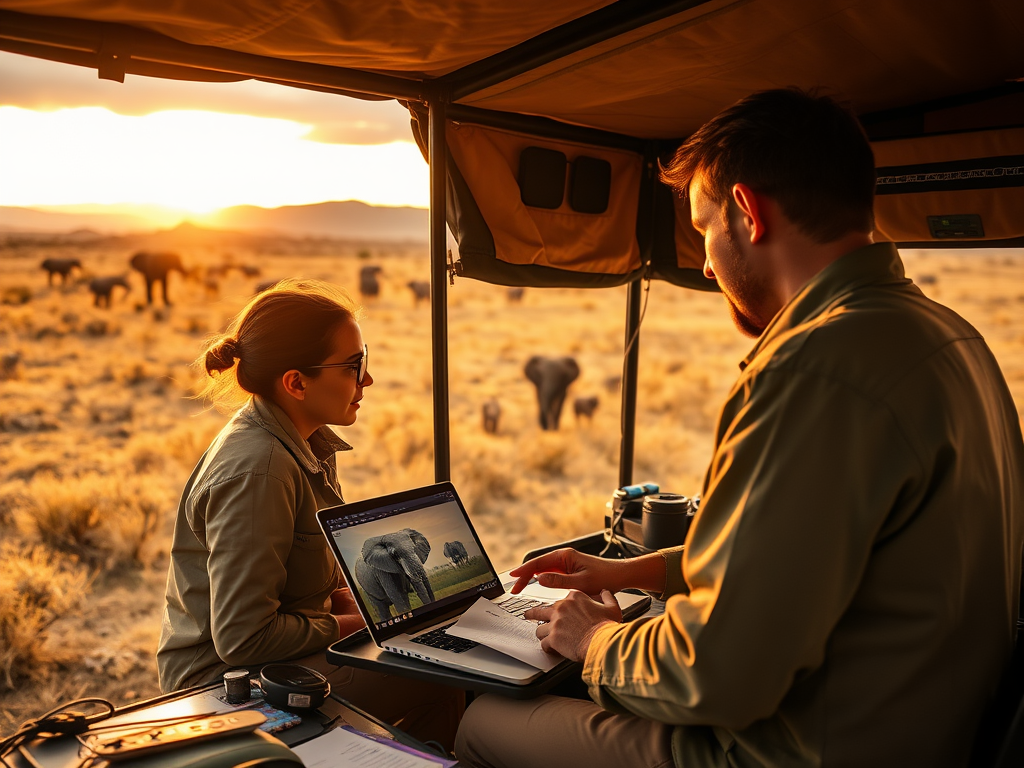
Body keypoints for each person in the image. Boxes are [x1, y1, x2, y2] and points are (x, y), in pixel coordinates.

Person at [455, 88, 1024, 768]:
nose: (703, 261)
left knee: (481, 719)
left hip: (794, 750)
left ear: (748, 213)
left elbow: (716, 675)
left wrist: (595, 639)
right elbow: (806, 558)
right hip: (917, 730)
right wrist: (636, 569)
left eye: (702, 228)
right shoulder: (951, 337)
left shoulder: (815, 368)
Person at [156, 278, 462, 748]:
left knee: (436, 652)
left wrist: (347, 601)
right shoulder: (261, 470)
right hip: (228, 684)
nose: (367, 380)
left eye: (366, 361)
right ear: (296, 382)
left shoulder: (301, 437)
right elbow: (244, 639)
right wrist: (359, 620)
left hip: (285, 654)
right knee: (443, 671)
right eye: (353, 366)